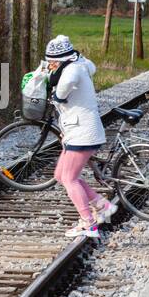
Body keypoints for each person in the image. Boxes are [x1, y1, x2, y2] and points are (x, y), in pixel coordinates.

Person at [44, 35, 116, 239]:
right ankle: (103, 207)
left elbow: (64, 89)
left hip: (82, 133)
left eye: (52, 61)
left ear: (60, 59)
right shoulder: (79, 63)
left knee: (69, 178)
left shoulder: (72, 70)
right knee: (61, 176)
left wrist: (57, 94)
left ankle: (89, 224)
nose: (50, 65)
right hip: (78, 131)